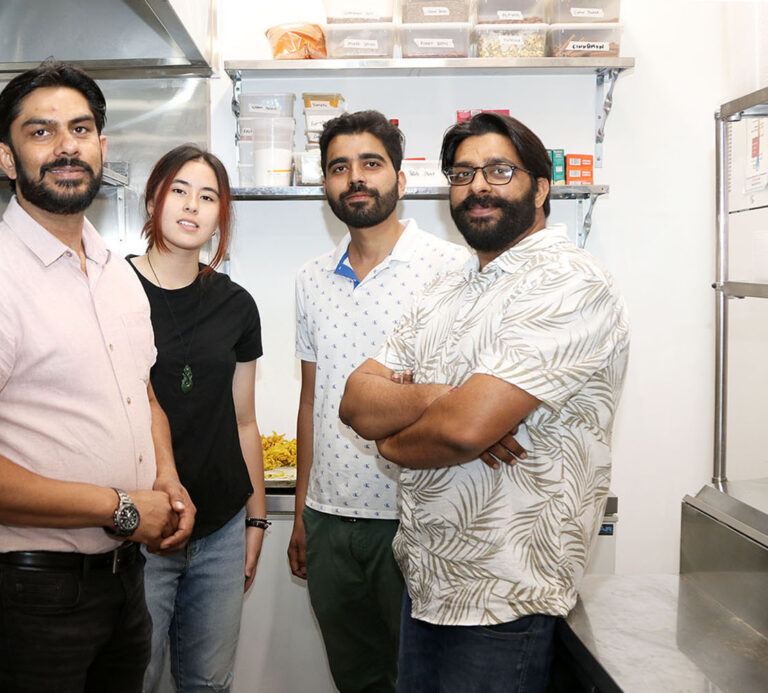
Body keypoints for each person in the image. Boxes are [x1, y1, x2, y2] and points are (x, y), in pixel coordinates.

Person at [0, 62, 196, 693]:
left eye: (82, 128)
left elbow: (139, 393)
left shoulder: (115, 272)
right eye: (41, 132)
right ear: (7, 158)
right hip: (29, 594)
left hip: (122, 583)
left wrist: (165, 481)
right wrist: (120, 508)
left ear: (101, 147)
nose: (67, 145)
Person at [338, 112, 630, 693]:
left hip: (506, 598)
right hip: (428, 585)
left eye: (499, 170)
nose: (477, 187)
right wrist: (447, 398)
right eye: (463, 173)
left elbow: (465, 431)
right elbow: (355, 402)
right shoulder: (449, 288)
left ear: (541, 188)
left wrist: (399, 438)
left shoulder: (570, 282)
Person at [287, 110, 470, 693]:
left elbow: (466, 399)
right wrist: (302, 515)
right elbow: (312, 396)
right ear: (325, 185)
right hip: (329, 519)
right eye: (339, 167)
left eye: (371, 163)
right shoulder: (311, 278)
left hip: (418, 517)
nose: (355, 178)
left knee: (422, 679)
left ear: (401, 176)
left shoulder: (452, 268)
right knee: (356, 679)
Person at [126, 145, 265, 693]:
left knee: (208, 683)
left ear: (221, 214)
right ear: (154, 198)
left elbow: (244, 421)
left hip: (222, 527)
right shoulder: (111, 291)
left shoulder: (235, 304)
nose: (192, 205)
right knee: (138, 678)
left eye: (208, 196)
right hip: (139, 528)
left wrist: (255, 520)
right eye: (179, 190)